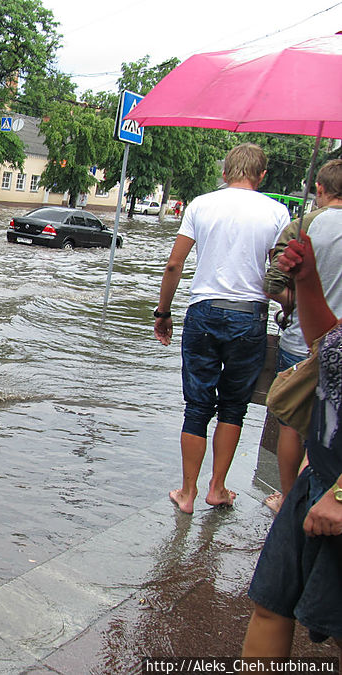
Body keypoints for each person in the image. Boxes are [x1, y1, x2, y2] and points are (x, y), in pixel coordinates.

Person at [154, 143, 290, 514]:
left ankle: (187, 493)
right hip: (250, 316)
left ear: (226, 172)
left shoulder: (200, 205)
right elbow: (280, 275)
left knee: (197, 407)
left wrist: (163, 312)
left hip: (203, 312)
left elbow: (174, 265)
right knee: (234, 407)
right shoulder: (278, 213)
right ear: (262, 176)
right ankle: (217, 488)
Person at [242, 229, 342, 657]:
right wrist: (308, 281)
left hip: (335, 494)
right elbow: (332, 347)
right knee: (270, 606)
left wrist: (340, 495)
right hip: (318, 478)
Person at [262, 159, 342, 514]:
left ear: (320, 189)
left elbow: (273, 284)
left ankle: (289, 499)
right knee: (327, 436)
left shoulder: (304, 228)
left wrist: (296, 301)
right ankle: (324, 496)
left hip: (305, 341)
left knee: (292, 421)